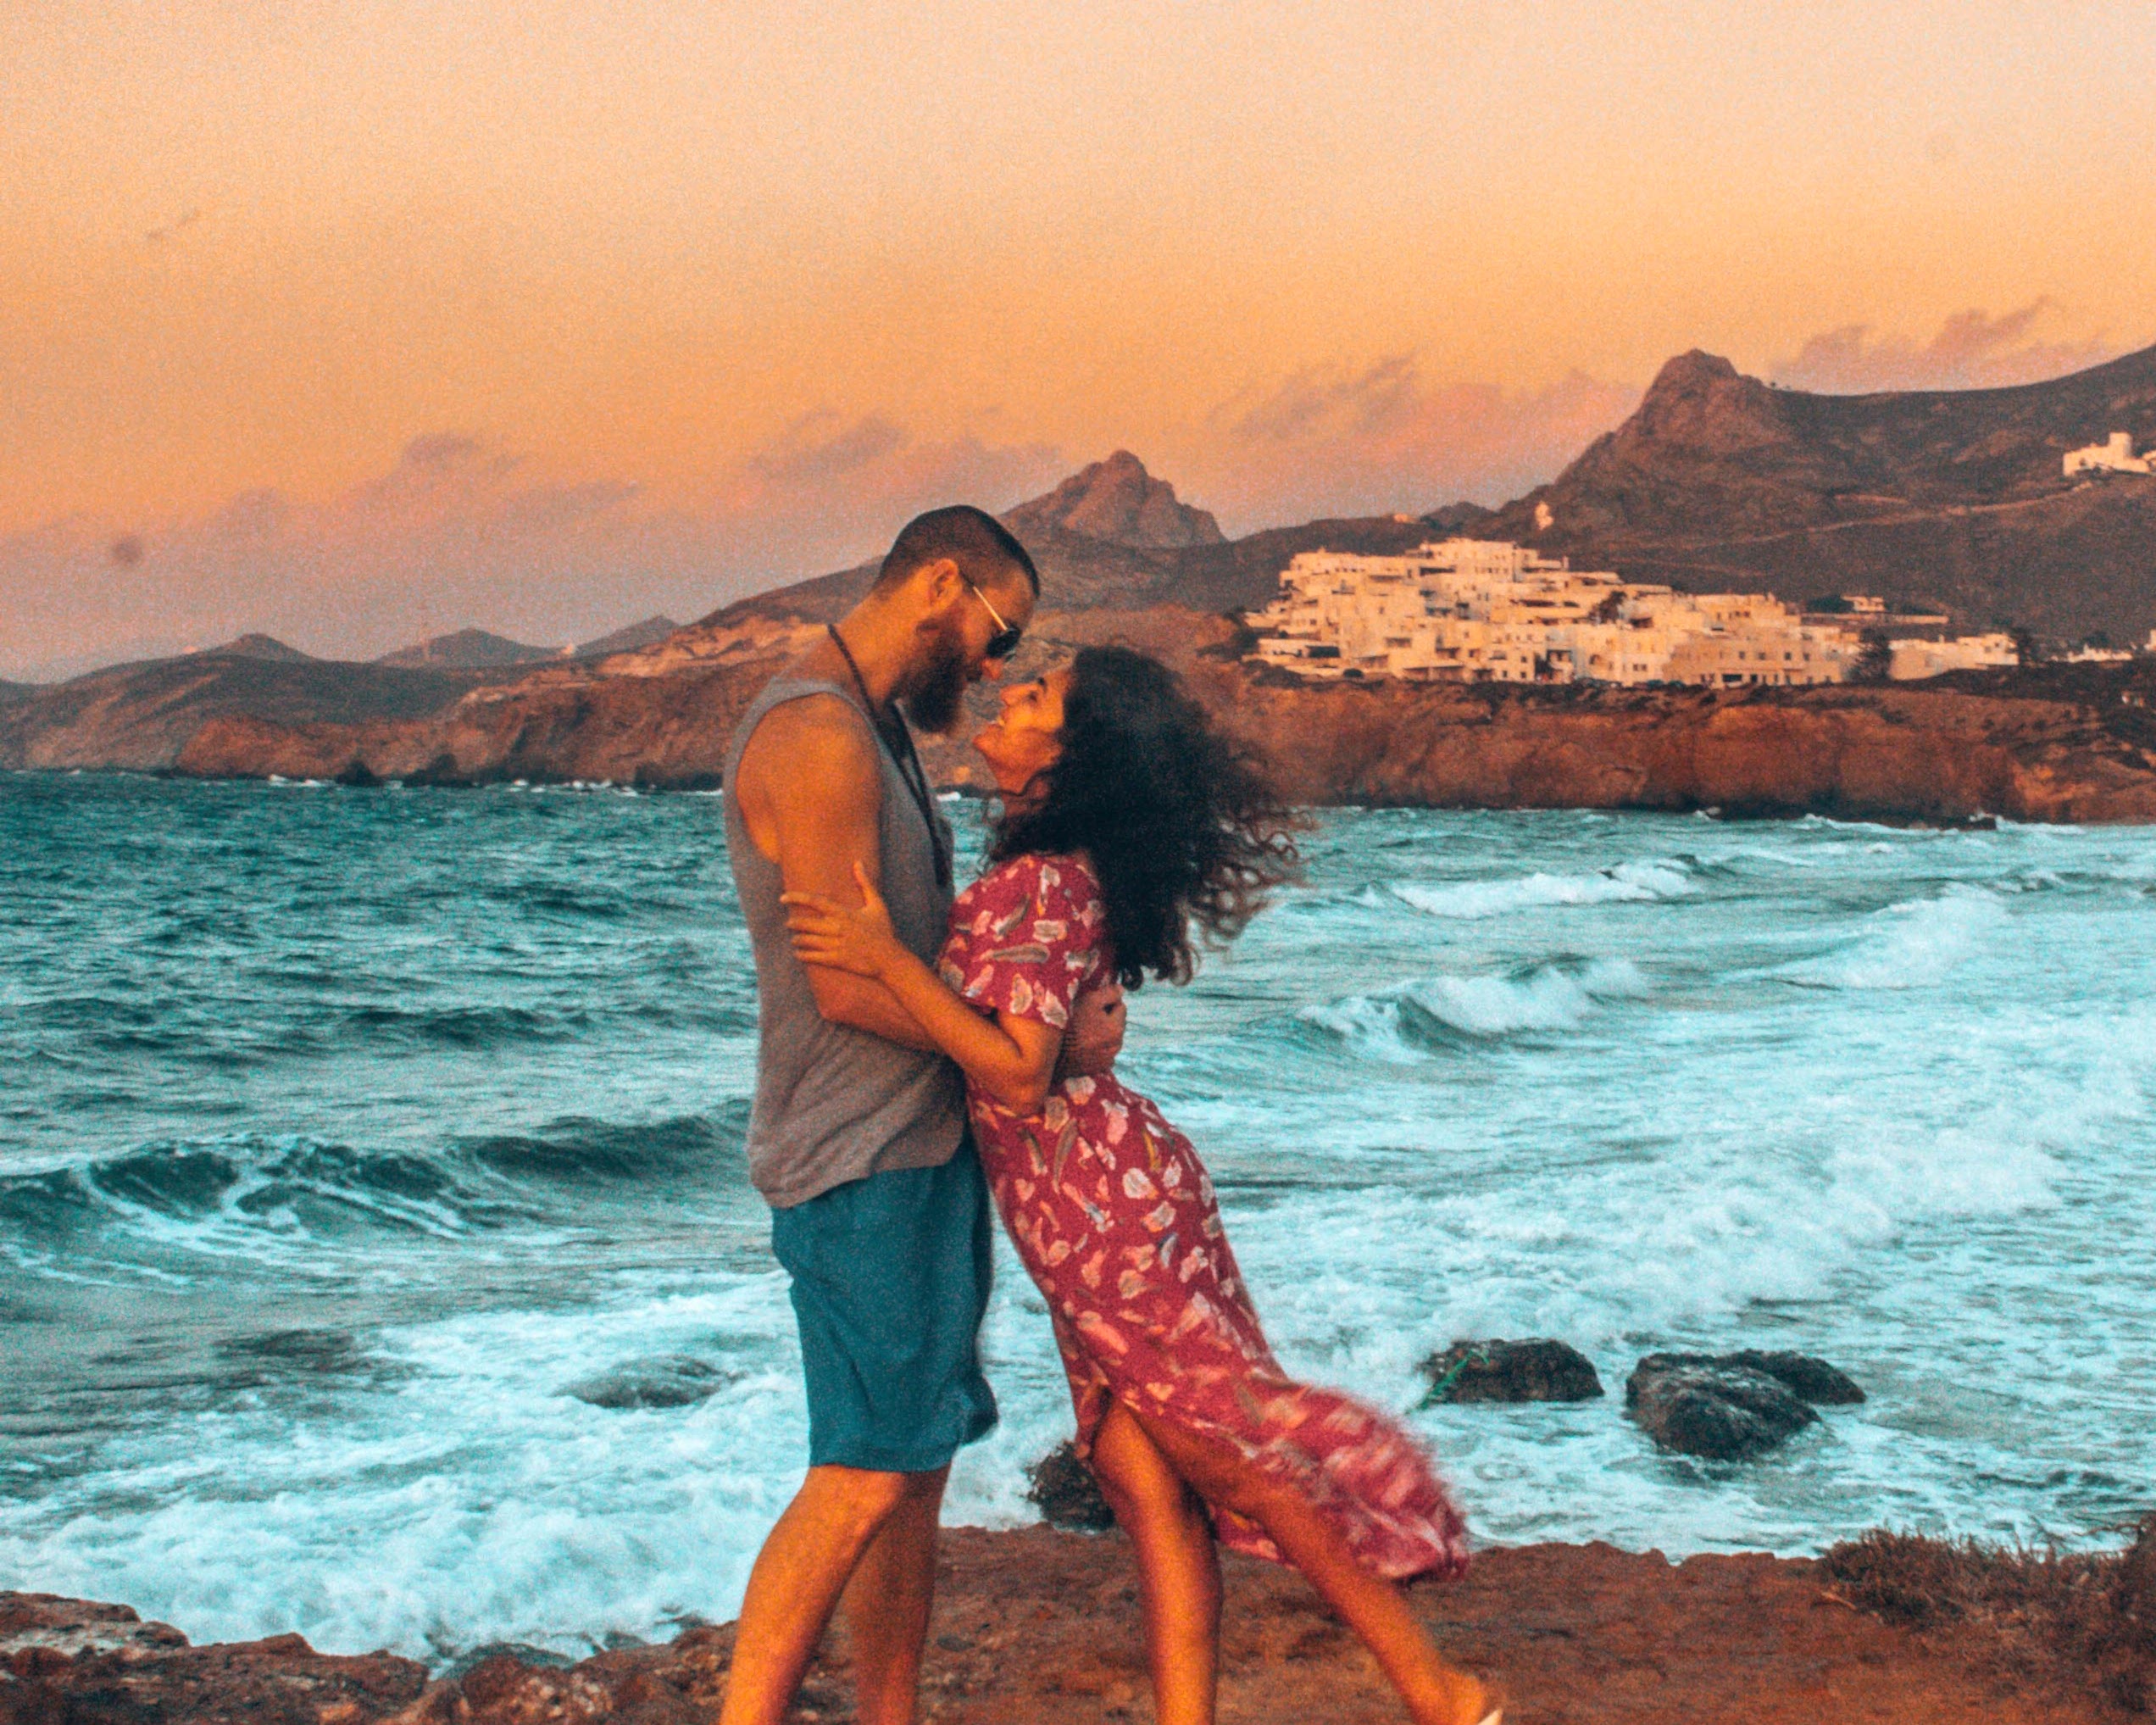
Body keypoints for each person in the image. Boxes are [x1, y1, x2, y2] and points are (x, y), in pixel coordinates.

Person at [786, 646, 1500, 1725]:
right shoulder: (1058, 869)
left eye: (1038, 698)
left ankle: (1438, 1691)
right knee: (1142, 1479)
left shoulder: (1039, 878)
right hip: (1104, 1195)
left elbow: (1020, 1073)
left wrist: (882, 959)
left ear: (1070, 761)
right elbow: (1049, 1027)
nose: (1009, 694)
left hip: (1099, 1206)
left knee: (1237, 1460)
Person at [718, 507, 1126, 1725]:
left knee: (912, 1465)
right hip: (855, 1152)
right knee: (857, 1471)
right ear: (942, 583)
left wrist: (1053, 1027)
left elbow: (908, 948)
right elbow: (844, 976)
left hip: (923, 1142)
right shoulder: (817, 735)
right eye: (1001, 632)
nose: (996, 667)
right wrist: (1019, 1060)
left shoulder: (876, 727)